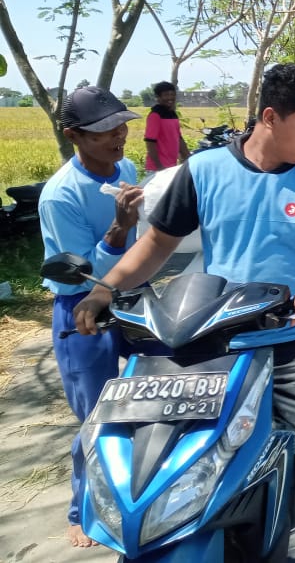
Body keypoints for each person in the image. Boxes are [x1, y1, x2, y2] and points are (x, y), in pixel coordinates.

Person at [73, 64, 295, 562]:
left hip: (291, 335)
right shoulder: (204, 171)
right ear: (269, 117)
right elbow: (156, 245)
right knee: (158, 447)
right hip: (211, 334)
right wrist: (105, 289)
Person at [38, 85, 145, 548]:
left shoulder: (126, 168)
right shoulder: (60, 197)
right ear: (74, 136)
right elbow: (86, 269)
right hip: (82, 307)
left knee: (159, 389)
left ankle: (143, 488)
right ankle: (82, 509)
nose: (118, 136)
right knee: (96, 413)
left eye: (121, 125)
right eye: (103, 131)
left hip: (131, 297)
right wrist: (120, 227)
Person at [143, 80, 189, 172]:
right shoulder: (155, 115)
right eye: (166, 95)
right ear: (158, 97)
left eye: (172, 94)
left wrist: (189, 158)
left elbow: (178, 138)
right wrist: (159, 167)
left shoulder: (173, 114)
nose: (170, 98)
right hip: (157, 169)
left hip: (171, 167)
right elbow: (150, 142)